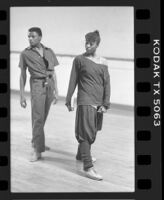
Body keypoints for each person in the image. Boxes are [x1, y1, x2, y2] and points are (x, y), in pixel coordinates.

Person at [65, 30, 111, 181]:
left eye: (91, 43)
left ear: (97, 44)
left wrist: (105, 103)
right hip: (85, 101)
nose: (87, 45)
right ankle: (88, 166)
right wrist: (68, 98)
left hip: (98, 103)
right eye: (86, 42)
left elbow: (107, 84)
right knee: (85, 133)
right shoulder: (79, 60)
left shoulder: (103, 62)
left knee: (93, 132)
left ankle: (81, 154)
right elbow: (73, 80)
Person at [19, 27, 59, 162]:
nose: (30, 38)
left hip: (49, 85)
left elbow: (53, 72)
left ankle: (37, 142)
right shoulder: (25, 54)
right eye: (28, 36)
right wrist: (22, 94)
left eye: (33, 36)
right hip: (36, 85)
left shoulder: (49, 51)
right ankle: (37, 149)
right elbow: (23, 74)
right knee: (37, 117)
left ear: (40, 37)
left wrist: (56, 90)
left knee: (43, 116)